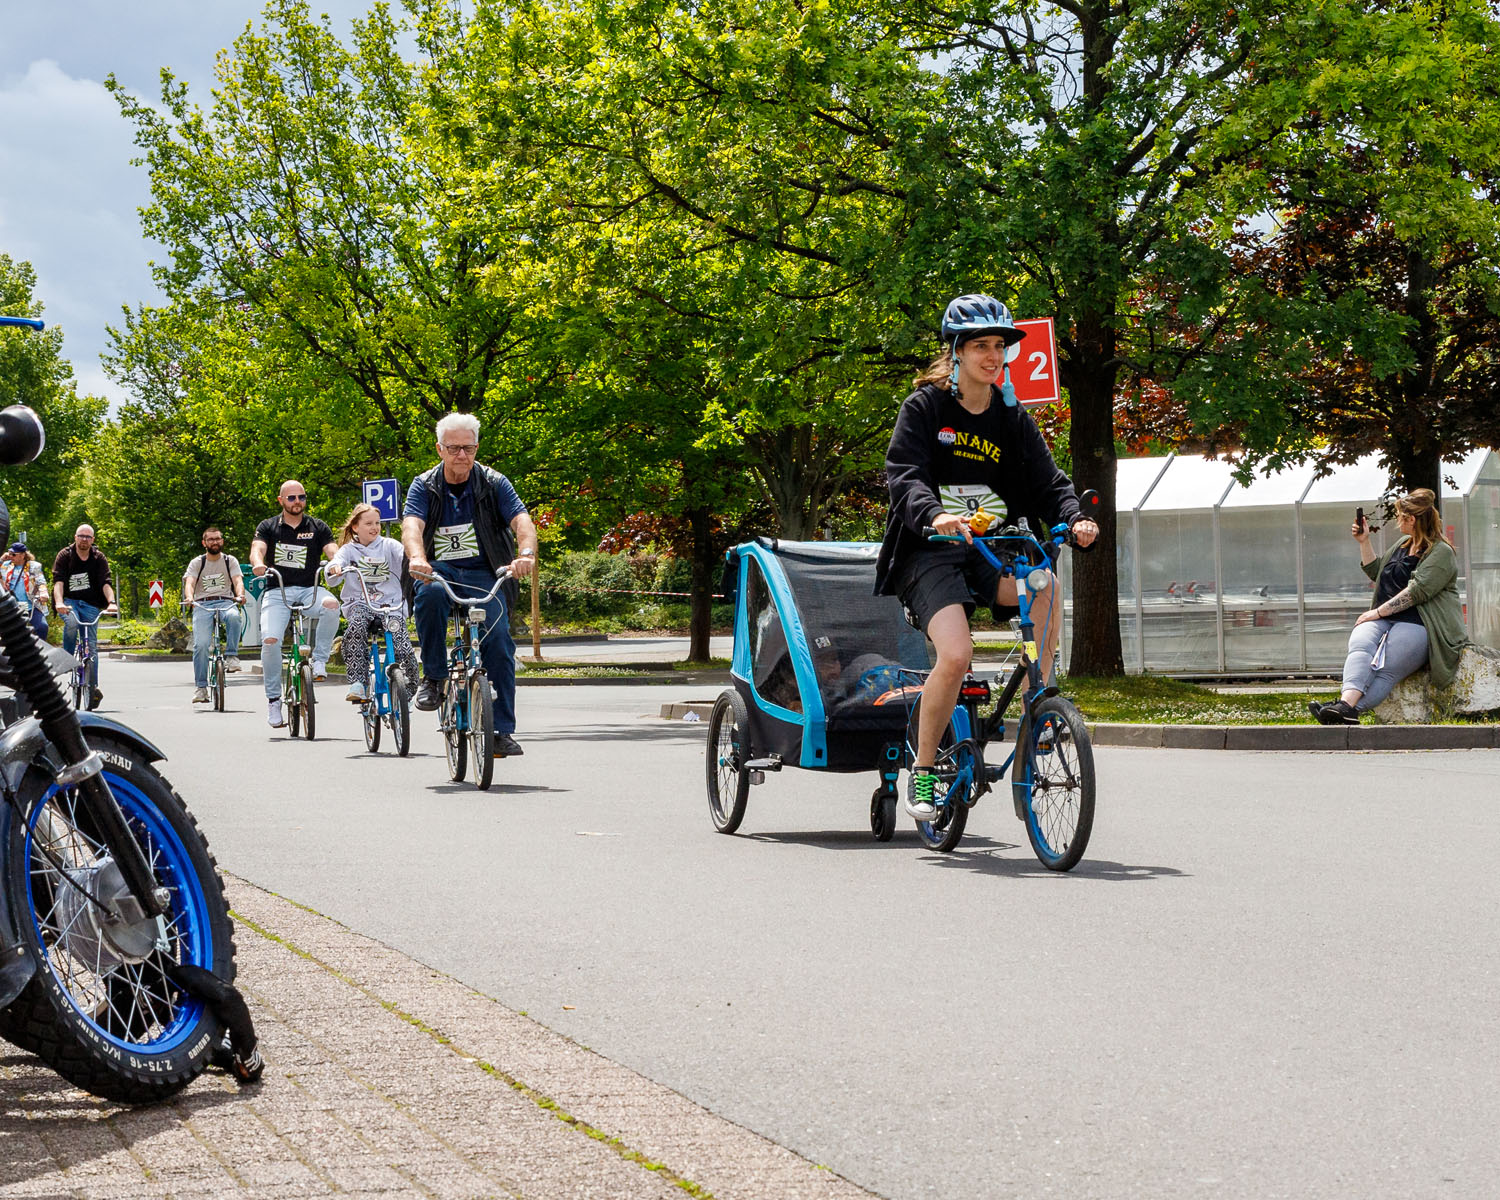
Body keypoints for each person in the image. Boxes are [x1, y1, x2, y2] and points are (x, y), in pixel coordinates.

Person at [875, 294, 1099, 820]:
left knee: (1044, 585)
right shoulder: (926, 408)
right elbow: (903, 476)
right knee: (955, 655)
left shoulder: (1010, 417)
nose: (993, 355)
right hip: (927, 552)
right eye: (981, 346)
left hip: (988, 551)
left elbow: (1049, 482)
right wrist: (934, 515)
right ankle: (926, 771)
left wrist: (1076, 516)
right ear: (956, 352)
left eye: (1000, 345)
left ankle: (1038, 714)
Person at [401, 412, 537, 758]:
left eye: (469, 448)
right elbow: (412, 527)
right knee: (429, 594)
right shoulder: (424, 484)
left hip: (484, 573)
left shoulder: (494, 482)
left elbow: (522, 520)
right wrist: (417, 558)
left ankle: (501, 731)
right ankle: (432, 678)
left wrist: (525, 554)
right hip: (439, 569)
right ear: (439, 449)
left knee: (501, 645)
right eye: (454, 448)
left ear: (477, 448)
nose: (461, 455)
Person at [1309, 488, 1468, 725]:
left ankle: (1347, 708)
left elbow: (1418, 591)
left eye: (1400, 516)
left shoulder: (1441, 552)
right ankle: (1345, 705)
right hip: (1385, 618)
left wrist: (1377, 612)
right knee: (1360, 647)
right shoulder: (1403, 543)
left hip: (1419, 623)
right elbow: (1377, 571)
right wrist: (1364, 541)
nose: (1397, 521)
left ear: (1411, 520)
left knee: (1386, 668)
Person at [249, 481, 338, 729]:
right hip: (278, 591)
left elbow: (332, 549)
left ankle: (320, 661)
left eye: (301, 497)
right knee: (270, 641)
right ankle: (274, 699)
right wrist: (258, 562)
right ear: (281, 501)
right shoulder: (268, 526)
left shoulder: (317, 526)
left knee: (331, 604)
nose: (297, 501)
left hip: (310, 589)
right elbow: (257, 549)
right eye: (291, 498)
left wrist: (337, 562)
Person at [326, 502, 419, 705]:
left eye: (377, 523)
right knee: (356, 627)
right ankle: (358, 681)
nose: (374, 527)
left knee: (402, 644)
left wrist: (416, 560)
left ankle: (409, 691)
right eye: (368, 523)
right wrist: (335, 568)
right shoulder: (349, 550)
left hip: (390, 605)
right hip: (361, 603)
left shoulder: (389, 545)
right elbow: (337, 561)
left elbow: (407, 555)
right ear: (355, 527)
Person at [52, 523, 118, 709]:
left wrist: (111, 602)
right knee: (71, 623)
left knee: (92, 648)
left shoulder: (98, 558)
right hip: (70, 602)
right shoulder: (65, 555)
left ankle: (92, 686)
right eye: (81, 536)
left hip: (91, 604)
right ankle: (67, 658)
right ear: (75, 537)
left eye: (88, 537)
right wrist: (59, 603)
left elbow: (106, 582)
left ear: (93, 540)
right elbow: (58, 582)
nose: (84, 540)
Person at [183, 526, 248, 703]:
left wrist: (240, 595)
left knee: (234, 617)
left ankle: (232, 657)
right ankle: (201, 688)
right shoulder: (197, 562)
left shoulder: (230, 560)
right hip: (202, 604)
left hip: (226, 600)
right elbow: (190, 583)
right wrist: (190, 598)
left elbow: (237, 581)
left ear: (222, 541)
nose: (215, 542)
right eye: (211, 539)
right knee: (201, 645)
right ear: (204, 543)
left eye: (218, 538)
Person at [3, 542, 49, 642]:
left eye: (13, 554)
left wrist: (43, 592)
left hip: (31, 606)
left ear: (23, 555)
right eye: (9, 553)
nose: (11, 556)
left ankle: (40, 650)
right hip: (11, 607)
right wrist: (2, 559)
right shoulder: (5, 565)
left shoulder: (34, 566)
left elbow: (41, 582)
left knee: (42, 627)